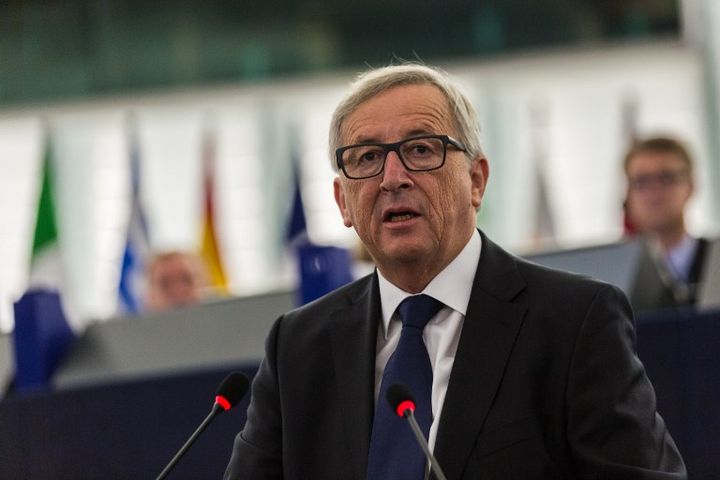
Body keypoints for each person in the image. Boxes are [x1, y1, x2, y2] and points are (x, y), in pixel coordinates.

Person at [225, 64, 686, 479]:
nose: (392, 178)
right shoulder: (298, 346)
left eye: (421, 149)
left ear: (476, 181)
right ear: (343, 202)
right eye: (366, 158)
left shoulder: (573, 321)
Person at [624, 136, 710, 307]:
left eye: (666, 178)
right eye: (641, 182)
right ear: (628, 194)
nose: (654, 192)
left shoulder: (714, 260)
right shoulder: (618, 276)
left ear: (691, 187)